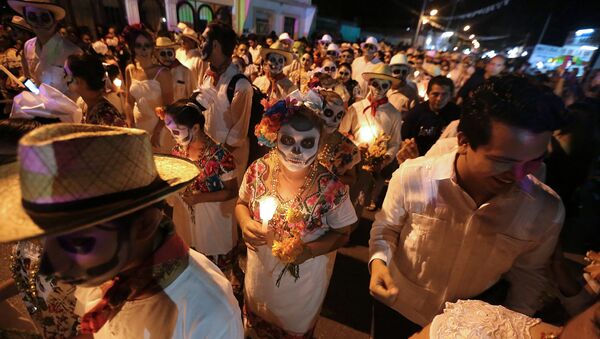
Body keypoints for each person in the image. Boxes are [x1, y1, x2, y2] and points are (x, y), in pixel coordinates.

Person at [0, 122, 244, 338]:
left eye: (78, 243)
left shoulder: (207, 314)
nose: (49, 266)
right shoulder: (105, 272)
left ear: (144, 224)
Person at [369, 75, 567, 338]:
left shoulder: (544, 210)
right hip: (399, 308)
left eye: (532, 163)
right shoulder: (413, 177)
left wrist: (508, 330)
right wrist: (379, 263)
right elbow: (386, 228)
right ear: (463, 141)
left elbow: (528, 278)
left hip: (470, 331)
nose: (518, 175)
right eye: (503, 161)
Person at [236, 98, 358, 337]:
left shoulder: (331, 188)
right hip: (259, 273)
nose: (296, 151)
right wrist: (245, 222)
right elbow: (241, 203)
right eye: (288, 140)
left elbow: (344, 233)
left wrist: (309, 250)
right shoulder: (259, 169)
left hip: (301, 284)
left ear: (320, 142)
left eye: (307, 142)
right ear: (275, 137)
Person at [161, 99, 242, 302]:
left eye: (176, 131)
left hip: (214, 219)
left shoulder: (220, 156)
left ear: (195, 127)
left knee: (216, 268)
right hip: (186, 219)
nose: (173, 137)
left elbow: (232, 191)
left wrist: (200, 198)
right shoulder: (179, 151)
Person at [196, 21, 253, 183]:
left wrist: (216, 159)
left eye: (203, 40)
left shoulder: (240, 85)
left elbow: (238, 133)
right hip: (207, 155)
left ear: (215, 45)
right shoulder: (208, 75)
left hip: (228, 161)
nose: (200, 45)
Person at [9, 0, 82, 99]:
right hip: (39, 107)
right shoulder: (28, 46)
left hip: (66, 110)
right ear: (26, 19)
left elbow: (80, 91)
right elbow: (30, 77)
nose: (39, 23)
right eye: (32, 17)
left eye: (44, 17)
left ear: (55, 20)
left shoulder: (72, 52)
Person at [123, 25, 174, 152]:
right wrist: (130, 122)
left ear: (152, 48)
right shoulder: (130, 70)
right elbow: (128, 101)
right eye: (139, 46)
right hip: (138, 127)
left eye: (147, 45)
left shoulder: (163, 72)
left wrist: (157, 132)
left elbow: (169, 106)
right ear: (133, 48)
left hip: (160, 128)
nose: (143, 49)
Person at [339, 63, 402, 165]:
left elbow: (395, 143)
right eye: (376, 84)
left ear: (389, 87)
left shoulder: (394, 114)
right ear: (369, 83)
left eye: (384, 85)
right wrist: (356, 145)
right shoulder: (355, 107)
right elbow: (342, 133)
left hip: (378, 165)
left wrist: (385, 159)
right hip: (353, 162)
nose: (379, 89)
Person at [397, 76, 460, 164]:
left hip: (444, 162)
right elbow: (404, 138)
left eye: (444, 94)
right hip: (419, 160)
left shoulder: (457, 114)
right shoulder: (416, 113)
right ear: (428, 93)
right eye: (435, 94)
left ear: (450, 95)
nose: (439, 99)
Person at [65, 54, 127, 127]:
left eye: (66, 74)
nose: (64, 78)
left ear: (79, 81)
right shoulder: (88, 105)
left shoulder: (105, 116)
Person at [155, 36, 194, 101]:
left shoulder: (185, 71)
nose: (167, 57)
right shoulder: (154, 73)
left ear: (174, 53)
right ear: (157, 54)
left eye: (169, 53)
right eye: (163, 54)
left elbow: (191, 95)